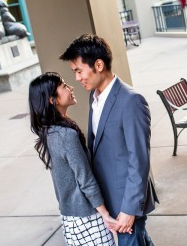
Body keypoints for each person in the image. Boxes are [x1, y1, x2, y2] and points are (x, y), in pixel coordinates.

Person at [60, 34, 158, 246]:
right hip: (109, 197)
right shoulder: (93, 97)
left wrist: (129, 210)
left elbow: (139, 160)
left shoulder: (131, 101)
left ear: (98, 64)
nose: (77, 78)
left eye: (79, 71)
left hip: (127, 203)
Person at [28, 72, 123, 246]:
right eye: (64, 86)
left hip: (70, 219)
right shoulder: (65, 135)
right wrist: (105, 214)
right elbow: (85, 179)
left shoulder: (49, 131)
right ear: (52, 99)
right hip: (87, 219)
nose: (70, 87)